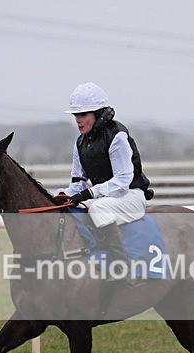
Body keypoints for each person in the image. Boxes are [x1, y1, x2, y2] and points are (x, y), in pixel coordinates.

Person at [54, 82, 152, 283]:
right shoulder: (80, 142)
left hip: (131, 196)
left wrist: (90, 193)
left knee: (98, 209)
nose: (78, 120)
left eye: (83, 115)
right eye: (76, 116)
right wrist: (62, 195)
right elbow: (78, 182)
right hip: (106, 197)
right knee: (75, 207)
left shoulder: (117, 136)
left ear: (98, 114)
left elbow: (123, 181)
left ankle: (122, 269)